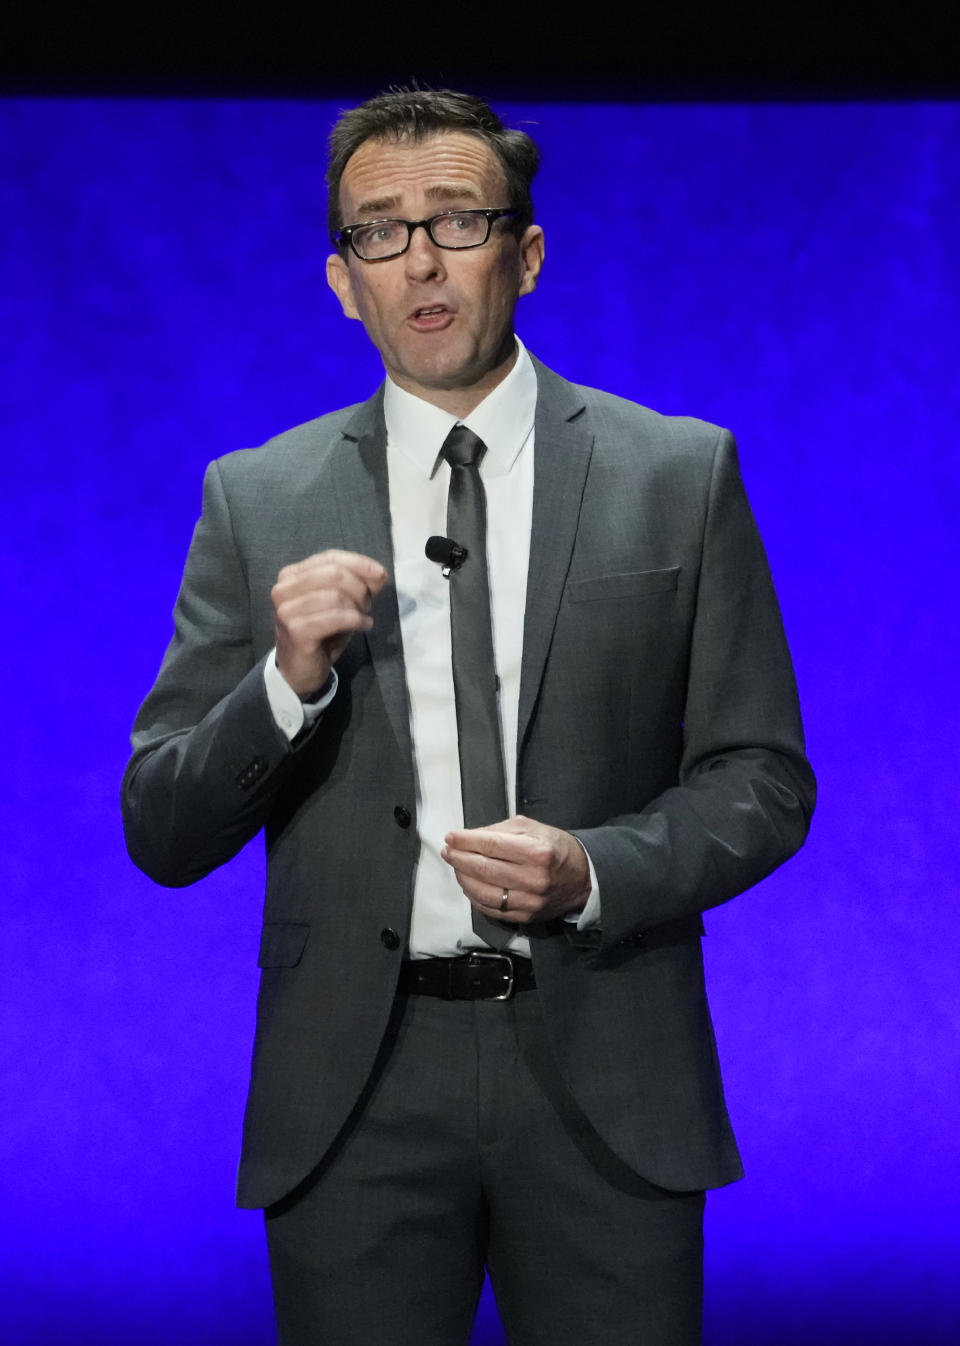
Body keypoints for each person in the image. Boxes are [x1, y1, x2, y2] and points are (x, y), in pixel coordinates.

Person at [122, 88, 815, 1346]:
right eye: (379, 232)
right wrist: (284, 681)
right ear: (342, 280)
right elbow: (161, 827)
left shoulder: (677, 473)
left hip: (606, 1068)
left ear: (527, 253)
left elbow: (762, 777)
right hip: (357, 1087)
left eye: (457, 221)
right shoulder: (257, 497)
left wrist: (596, 870)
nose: (420, 261)